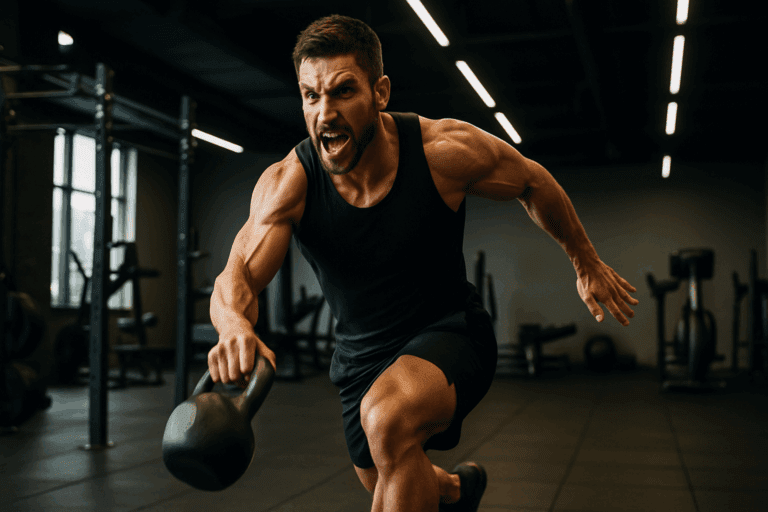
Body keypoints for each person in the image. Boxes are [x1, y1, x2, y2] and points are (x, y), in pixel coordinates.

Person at [208, 14, 639, 512]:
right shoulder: (290, 181)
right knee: (385, 471)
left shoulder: (440, 151)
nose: (324, 112)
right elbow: (236, 270)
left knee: (387, 421)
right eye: (311, 95)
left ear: (381, 92)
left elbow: (533, 181)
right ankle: (459, 490)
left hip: (452, 332)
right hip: (360, 359)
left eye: (343, 91)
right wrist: (233, 324)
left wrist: (584, 261)